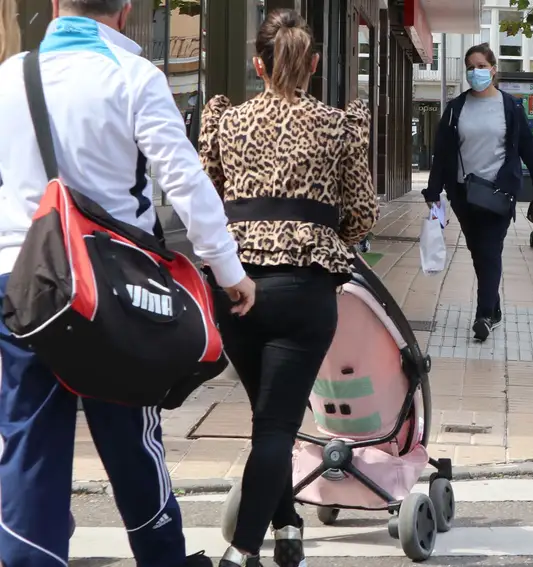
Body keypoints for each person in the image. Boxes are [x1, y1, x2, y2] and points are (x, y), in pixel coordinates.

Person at [0, 1, 256, 566]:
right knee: (130, 436)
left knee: (29, 442)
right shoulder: (135, 78)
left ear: (54, 5)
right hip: (110, 288)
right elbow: (183, 179)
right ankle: (162, 559)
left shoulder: (8, 77)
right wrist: (227, 270)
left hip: (21, 282)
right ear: (126, 11)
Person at [198, 9, 378, 567]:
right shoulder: (338, 125)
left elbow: (207, 199)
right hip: (305, 288)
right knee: (276, 423)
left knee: (266, 417)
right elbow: (364, 211)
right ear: (315, 64)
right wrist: (326, 237)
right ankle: (244, 550)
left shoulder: (226, 121)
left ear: (258, 64)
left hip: (238, 286)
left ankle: (288, 522)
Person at [423, 43, 533, 341]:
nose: (475, 72)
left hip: (498, 193)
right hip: (463, 194)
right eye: (470, 67)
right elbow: (442, 153)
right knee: (478, 252)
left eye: (481, 66)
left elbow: (528, 150)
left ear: (493, 70)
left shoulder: (511, 106)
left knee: (489, 250)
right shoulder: (456, 108)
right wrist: (433, 191)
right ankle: (492, 307)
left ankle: (483, 315)